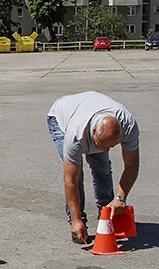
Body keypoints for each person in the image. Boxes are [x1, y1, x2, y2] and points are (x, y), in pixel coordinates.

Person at [47, 91, 140, 244]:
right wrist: (76, 219)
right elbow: (71, 181)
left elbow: (132, 166)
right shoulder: (75, 136)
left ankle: (107, 212)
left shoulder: (128, 125)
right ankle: (77, 224)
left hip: (89, 109)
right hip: (60, 117)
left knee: (102, 166)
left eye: (112, 146)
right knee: (78, 174)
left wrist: (120, 198)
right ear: (94, 132)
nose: (107, 150)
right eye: (101, 145)